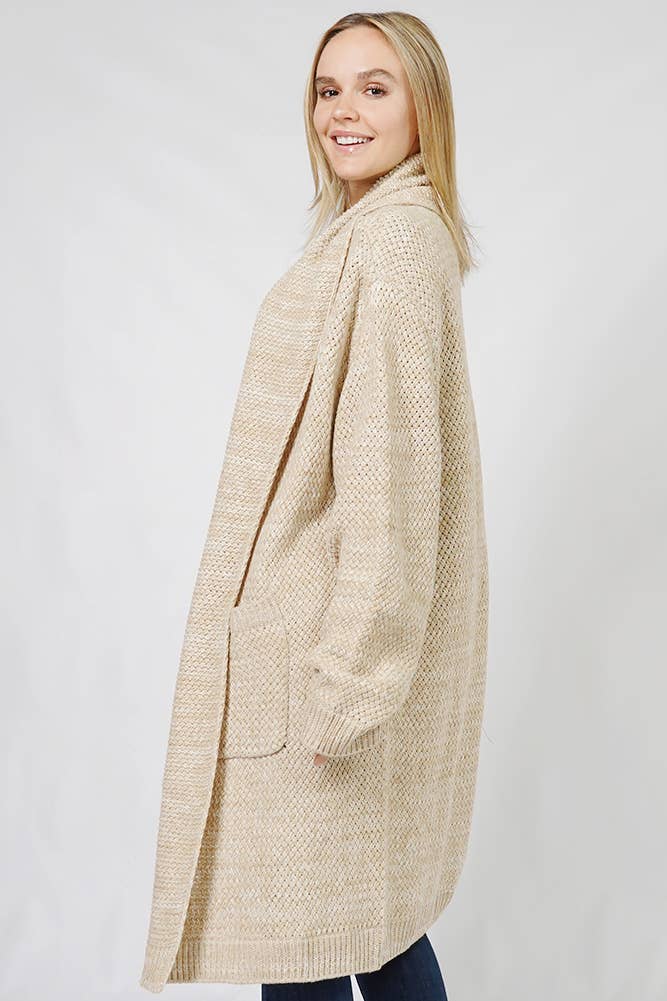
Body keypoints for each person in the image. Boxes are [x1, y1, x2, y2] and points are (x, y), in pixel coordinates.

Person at [139, 11, 488, 999]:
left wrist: (350, 680)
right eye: (328, 89)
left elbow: (393, 487)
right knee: (364, 927)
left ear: (424, 107)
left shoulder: (390, 249)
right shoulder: (375, 234)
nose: (344, 111)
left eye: (375, 89)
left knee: (307, 943)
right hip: (313, 660)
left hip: (321, 676)